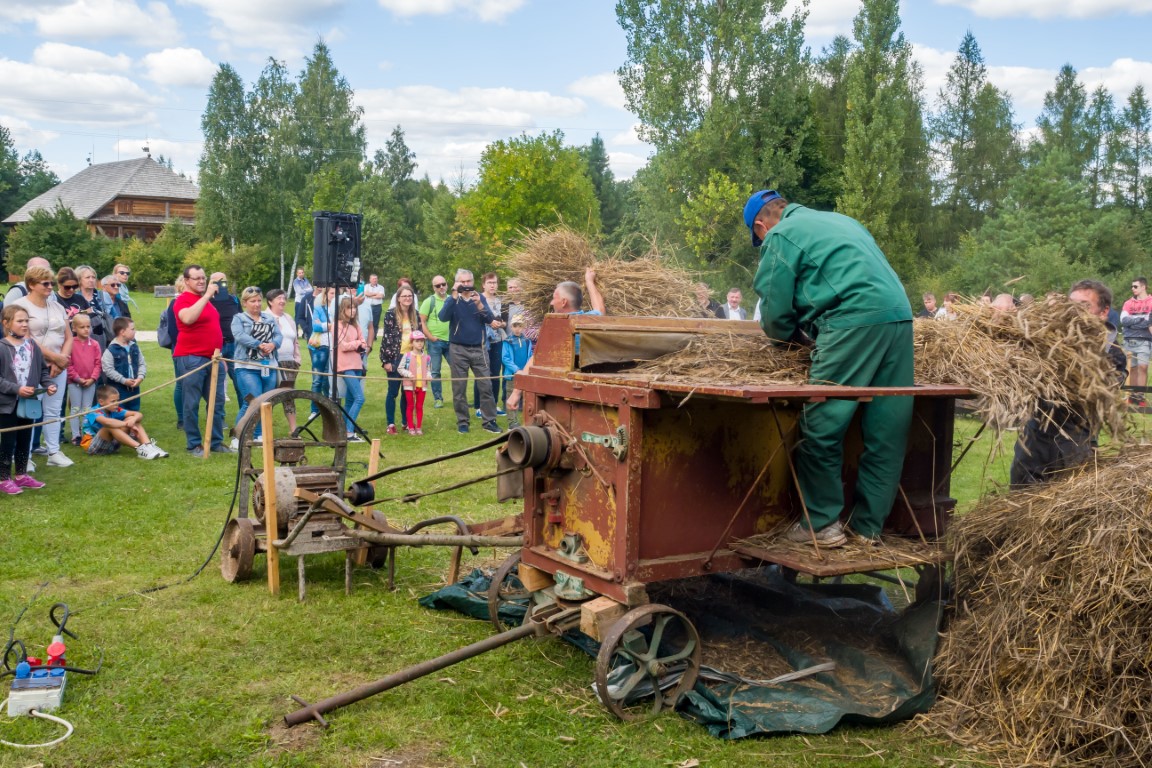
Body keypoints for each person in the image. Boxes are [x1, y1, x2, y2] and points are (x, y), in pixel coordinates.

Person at [743, 188, 914, 548]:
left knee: (821, 423)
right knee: (887, 427)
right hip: (899, 319)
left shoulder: (780, 235)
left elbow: (774, 312)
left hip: (852, 320)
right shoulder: (841, 220)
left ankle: (820, 524)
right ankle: (869, 529)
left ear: (761, 225)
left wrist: (790, 342)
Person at [1010, 281, 1127, 489]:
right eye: (1070, 305)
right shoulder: (1045, 339)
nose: (1074, 313)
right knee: (1020, 501)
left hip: (1074, 443)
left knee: (1061, 513)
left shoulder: (1113, 353)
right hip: (1034, 438)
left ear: (1103, 311)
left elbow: (1095, 395)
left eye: (1083, 306)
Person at [504, 268, 604, 413]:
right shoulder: (590, 319)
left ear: (563, 302)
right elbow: (600, 308)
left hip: (561, 391)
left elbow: (536, 358)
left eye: (554, 297)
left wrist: (516, 393)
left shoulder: (555, 326)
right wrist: (590, 281)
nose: (551, 302)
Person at [13, 265, 74, 468]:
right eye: (45, 283)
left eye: (51, 283)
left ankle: (53, 451)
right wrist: (53, 359)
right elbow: (26, 338)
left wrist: (62, 359)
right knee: (30, 410)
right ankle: (24, 455)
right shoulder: (21, 307)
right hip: (31, 366)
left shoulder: (56, 306)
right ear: (31, 284)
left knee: (54, 410)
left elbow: (68, 335)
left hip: (58, 366)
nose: (50, 287)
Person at [173, 265, 232, 456]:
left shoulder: (205, 301)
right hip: (192, 358)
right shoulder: (182, 300)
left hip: (213, 358)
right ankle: (194, 444)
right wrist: (207, 295)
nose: (201, 281)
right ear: (187, 281)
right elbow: (188, 318)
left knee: (217, 402)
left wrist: (220, 355)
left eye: (203, 278)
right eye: (196, 278)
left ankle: (215, 442)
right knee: (191, 403)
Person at [439, 269, 500, 434]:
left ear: (472, 282)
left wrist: (479, 304)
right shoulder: (453, 300)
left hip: (479, 348)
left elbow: (489, 319)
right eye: (462, 282)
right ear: (457, 282)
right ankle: (463, 422)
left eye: (468, 281)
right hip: (458, 349)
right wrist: (453, 295)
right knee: (459, 388)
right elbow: (443, 317)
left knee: (486, 385)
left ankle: (489, 421)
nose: (466, 285)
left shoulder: (479, 297)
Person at [0, 306, 52, 493]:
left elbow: (43, 370)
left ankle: (21, 475)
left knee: (25, 439)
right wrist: (17, 389)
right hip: (7, 405)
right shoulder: (2, 348)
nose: (24, 324)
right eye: (19, 321)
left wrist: (48, 385)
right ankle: (3, 478)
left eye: (26, 321)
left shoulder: (32, 347)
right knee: (8, 440)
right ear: (6, 324)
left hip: (29, 403)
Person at [231, 286, 281, 442]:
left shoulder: (269, 318)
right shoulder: (239, 318)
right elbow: (239, 336)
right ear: (245, 302)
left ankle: (258, 435)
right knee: (252, 402)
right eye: (253, 301)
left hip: (269, 366)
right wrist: (259, 344)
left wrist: (273, 345)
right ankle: (238, 437)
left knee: (265, 403)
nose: (257, 304)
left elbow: (279, 336)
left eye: (259, 300)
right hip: (247, 367)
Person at [82, 385, 167, 459]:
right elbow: (107, 422)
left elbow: (138, 414)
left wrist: (132, 421)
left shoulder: (115, 409)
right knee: (109, 426)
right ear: (101, 402)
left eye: (118, 400)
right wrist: (127, 424)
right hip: (93, 447)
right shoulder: (92, 411)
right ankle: (140, 448)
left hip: (112, 445)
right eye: (113, 401)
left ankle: (149, 446)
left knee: (132, 419)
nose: (117, 404)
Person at [380, 284, 420, 434]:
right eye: (404, 296)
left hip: (411, 358)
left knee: (407, 391)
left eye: (410, 296)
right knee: (393, 392)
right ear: (398, 299)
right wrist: (386, 361)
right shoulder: (390, 315)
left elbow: (419, 338)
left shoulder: (415, 314)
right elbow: (386, 339)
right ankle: (390, 423)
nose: (407, 298)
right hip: (395, 357)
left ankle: (406, 421)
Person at [267, 288, 300, 433]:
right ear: (270, 301)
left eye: (283, 298)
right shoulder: (265, 317)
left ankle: (293, 429)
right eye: (278, 298)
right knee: (270, 395)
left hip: (290, 362)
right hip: (272, 362)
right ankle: (263, 429)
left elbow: (295, 340)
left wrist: (297, 359)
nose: (282, 301)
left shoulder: (288, 318)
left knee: (288, 394)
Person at [334, 298, 367, 442]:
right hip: (346, 366)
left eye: (354, 308)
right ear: (343, 309)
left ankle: (344, 428)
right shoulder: (338, 325)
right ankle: (348, 431)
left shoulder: (356, 325)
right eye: (349, 308)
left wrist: (358, 344)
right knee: (360, 398)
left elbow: (364, 344)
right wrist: (357, 343)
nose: (352, 311)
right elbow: (343, 346)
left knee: (350, 400)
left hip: (357, 365)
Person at [474, 272, 507, 416]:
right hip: (482, 341)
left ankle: (493, 404)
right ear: (483, 285)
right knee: (482, 373)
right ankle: (479, 406)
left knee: (495, 372)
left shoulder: (501, 301)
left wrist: (500, 324)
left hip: (498, 340)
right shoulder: (478, 299)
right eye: (490, 283)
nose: (493, 285)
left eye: (494, 282)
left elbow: (506, 321)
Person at [66, 313, 101, 446]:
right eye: (82, 327)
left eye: (88, 326)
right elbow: (68, 364)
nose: (86, 329)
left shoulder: (95, 344)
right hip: (75, 382)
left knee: (87, 408)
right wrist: (77, 378)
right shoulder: (70, 344)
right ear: (74, 328)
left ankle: (87, 432)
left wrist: (92, 378)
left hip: (90, 382)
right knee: (75, 408)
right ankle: (76, 435)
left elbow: (98, 363)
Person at [419, 275, 452, 409]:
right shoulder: (429, 301)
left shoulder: (452, 300)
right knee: (435, 371)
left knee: (457, 370)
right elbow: (422, 322)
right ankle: (438, 399)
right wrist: (431, 337)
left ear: (447, 285)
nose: (441, 287)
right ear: (434, 287)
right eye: (438, 285)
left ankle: (459, 398)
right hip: (435, 342)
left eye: (443, 284)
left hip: (452, 342)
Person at [101, 317, 146, 410]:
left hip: (134, 389)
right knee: (119, 416)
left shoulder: (134, 347)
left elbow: (141, 363)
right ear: (122, 332)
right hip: (117, 391)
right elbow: (108, 370)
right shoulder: (111, 350)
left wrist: (140, 377)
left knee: (134, 413)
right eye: (132, 329)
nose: (135, 331)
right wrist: (123, 380)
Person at [1120, 277, 1152, 406]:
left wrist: (1134, 321)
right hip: (1129, 340)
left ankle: (1140, 396)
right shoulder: (1128, 303)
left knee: (1143, 367)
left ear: (1143, 287)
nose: (1132, 289)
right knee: (1131, 368)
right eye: (1132, 286)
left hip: (1145, 341)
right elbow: (1124, 320)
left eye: (1135, 286)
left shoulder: (1151, 302)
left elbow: (1150, 322)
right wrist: (1141, 320)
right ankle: (1132, 396)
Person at [210, 275, 241, 403]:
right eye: (215, 281)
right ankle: (219, 420)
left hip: (234, 344)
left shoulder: (234, 300)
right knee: (218, 383)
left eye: (222, 281)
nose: (219, 284)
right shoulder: (206, 301)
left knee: (240, 381)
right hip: (217, 347)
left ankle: (246, 417)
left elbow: (241, 318)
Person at [501, 317, 533, 428]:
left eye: (520, 326)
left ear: (523, 327)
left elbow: (530, 357)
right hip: (512, 375)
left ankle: (527, 420)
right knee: (511, 396)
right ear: (511, 327)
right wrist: (516, 370)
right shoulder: (507, 341)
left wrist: (526, 370)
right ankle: (512, 422)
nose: (517, 329)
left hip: (525, 374)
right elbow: (505, 358)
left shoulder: (527, 341)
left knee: (526, 398)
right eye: (515, 326)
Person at [398, 330, 432, 435]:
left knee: (419, 406)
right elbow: (400, 368)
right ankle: (411, 427)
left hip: (422, 385)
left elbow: (428, 370)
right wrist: (408, 374)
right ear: (412, 342)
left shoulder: (427, 357)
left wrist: (429, 376)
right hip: (409, 385)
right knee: (410, 405)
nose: (420, 343)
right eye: (417, 341)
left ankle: (419, 427)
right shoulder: (407, 356)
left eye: (422, 341)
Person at [308, 287, 333, 410]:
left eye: (335, 293)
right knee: (317, 379)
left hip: (334, 347)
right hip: (320, 347)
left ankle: (328, 408)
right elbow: (315, 326)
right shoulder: (319, 308)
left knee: (328, 380)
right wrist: (329, 325)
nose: (334, 295)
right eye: (332, 293)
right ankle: (314, 409)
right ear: (326, 294)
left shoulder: (339, 310)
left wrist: (324, 325)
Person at [74, 265, 109, 349]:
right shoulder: (74, 298)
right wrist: (85, 312)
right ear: (79, 280)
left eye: (93, 277)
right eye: (87, 277)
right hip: (80, 339)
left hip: (101, 338)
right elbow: (71, 317)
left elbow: (111, 316)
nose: (91, 280)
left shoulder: (103, 296)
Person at [363, 274, 386, 343]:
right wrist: (376, 294)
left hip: (377, 307)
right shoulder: (366, 286)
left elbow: (381, 296)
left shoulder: (381, 287)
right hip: (368, 306)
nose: (375, 280)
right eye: (373, 279)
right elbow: (366, 293)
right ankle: (366, 336)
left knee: (375, 322)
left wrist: (371, 295)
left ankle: (374, 337)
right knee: (367, 322)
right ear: (370, 280)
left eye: (376, 278)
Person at [291, 268, 312, 333]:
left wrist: (304, 290)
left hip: (306, 301)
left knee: (306, 316)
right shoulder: (296, 281)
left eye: (302, 272)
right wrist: (306, 290)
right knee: (298, 317)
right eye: (299, 273)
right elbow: (299, 291)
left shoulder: (306, 280)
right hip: (299, 302)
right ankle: (295, 332)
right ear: (297, 274)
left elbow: (311, 289)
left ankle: (305, 332)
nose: (301, 274)